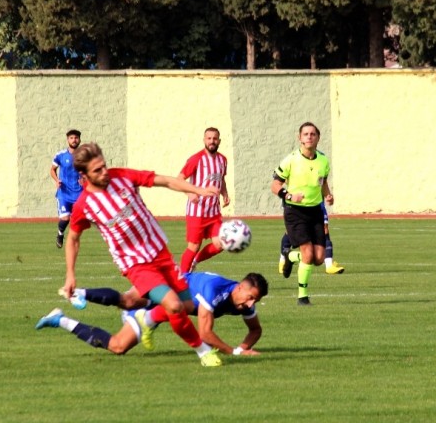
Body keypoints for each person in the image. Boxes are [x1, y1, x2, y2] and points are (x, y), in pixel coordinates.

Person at [50, 142, 223, 366]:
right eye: (97, 170)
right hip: (136, 264)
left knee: (185, 306)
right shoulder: (85, 205)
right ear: (83, 175)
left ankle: (144, 316)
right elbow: (73, 238)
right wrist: (70, 274)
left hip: (160, 252)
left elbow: (166, 180)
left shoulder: (122, 176)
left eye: (104, 166)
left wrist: (197, 190)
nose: (104, 173)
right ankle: (203, 352)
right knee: (174, 306)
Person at [38, 272, 268, 357]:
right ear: (239, 287)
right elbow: (205, 334)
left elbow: (255, 329)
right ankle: (77, 292)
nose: (250, 304)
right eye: (249, 297)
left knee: (118, 346)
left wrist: (244, 346)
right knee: (128, 300)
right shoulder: (214, 290)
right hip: (162, 290)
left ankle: (60, 319)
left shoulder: (244, 303)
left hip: (166, 308)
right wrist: (236, 352)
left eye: (255, 300)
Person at [271, 122, 333, 306]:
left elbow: (322, 183)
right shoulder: (290, 160)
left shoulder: (323, 161)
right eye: (305, 134)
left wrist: (328, 195)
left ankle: (290, 256)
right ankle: (302, 297)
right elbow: (274, 186)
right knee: (307, 253)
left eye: (313, 134)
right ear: (300, 138)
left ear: (318, 138)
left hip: (315, 212)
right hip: (294, 211)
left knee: (319, 258)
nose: (309, 137)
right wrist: (289, 195)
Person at [177, 127, 230, 273]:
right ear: (204, 140)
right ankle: (182, 279)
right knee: (193, 246)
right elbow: (179, 179)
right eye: (209, 138)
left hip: (213, 212)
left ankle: (196, 260)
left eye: (215, 138)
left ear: (219, 140)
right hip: (197, 211)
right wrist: (189, 193)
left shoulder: (222, 160)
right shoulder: (196, 159)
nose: (212, 141)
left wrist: (225, 193)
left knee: (221, 243)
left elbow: (221, 179)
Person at [278, 201, 345, 275]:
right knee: (290, 231)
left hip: (316, 202)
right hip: (295, 203)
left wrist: (327, 194)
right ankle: (283, 260)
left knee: (325, 229)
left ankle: (329, 265)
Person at [50, 129, 83, 248]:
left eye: (76, 138)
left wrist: (86, 179)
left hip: (80, 194)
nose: (74, 140)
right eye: (71, 138)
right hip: (64, 194)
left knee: (80, 221)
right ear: (68, 140)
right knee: (65, 218)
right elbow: (52, 169)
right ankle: (60, 234)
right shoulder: (61, 155)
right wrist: (56, 180)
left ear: (79, 139)